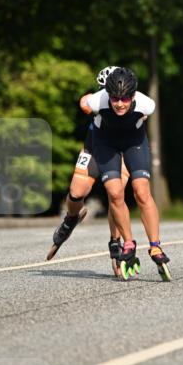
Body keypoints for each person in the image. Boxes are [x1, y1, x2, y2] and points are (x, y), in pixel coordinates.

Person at [80, 67, 171, 279]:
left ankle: (155, 246)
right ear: (108, 95)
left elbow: (144, 117)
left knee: (141, 191)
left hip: (134, 142)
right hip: (105, 143)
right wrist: (84, 103)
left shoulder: (146, 103)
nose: (120, 104)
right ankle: (128, 243)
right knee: (114, 193)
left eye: (125, 99)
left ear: (133, 95)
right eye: (115, 99)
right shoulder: (98, 100)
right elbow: (85, 102)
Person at [47, 65, 124, 260]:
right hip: (94, 150)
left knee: (116, 197)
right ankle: (70, 219)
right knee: (76, 193)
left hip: (122, 152)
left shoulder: (133, 102)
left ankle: (115, 242)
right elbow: (84, 102)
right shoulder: (96, 100)